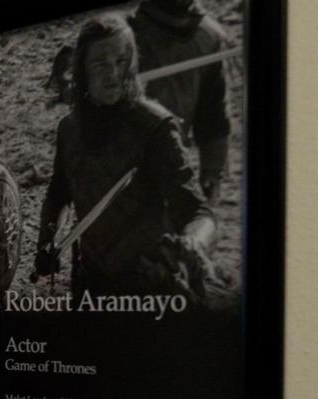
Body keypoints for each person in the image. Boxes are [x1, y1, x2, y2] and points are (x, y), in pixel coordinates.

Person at [33, 14, 218, 301]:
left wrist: (194, 242)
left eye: (121, 61)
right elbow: (58, 194)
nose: (114, 74)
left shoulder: (155, 126)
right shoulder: (69, 129)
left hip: (150, 286)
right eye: (101, 64)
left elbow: (198, 212)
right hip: (91, 283)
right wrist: (46, 242)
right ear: (82, 69)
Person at [129, 0, 232, 204]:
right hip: (122, 161)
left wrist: (212, 168)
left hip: (172, 160)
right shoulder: (125, 34)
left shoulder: (208, 37)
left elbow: (212, 112)